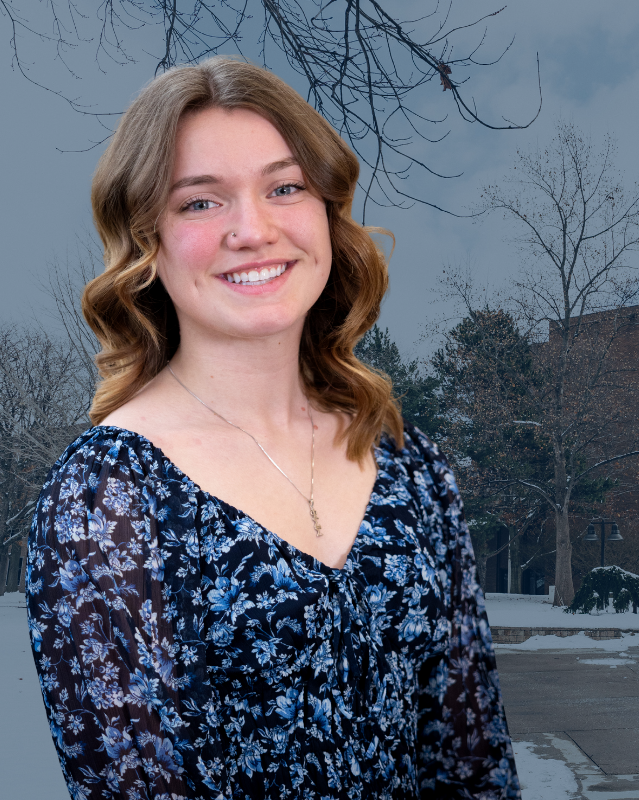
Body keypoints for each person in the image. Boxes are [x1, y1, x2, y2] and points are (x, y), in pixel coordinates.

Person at [25, 57, 519, 799]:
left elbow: (474, 766)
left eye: (284, 188)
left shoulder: (413, 467)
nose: (252, 230)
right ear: (147, 242)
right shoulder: (107, 499)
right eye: (200, 203)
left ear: (325, 211)